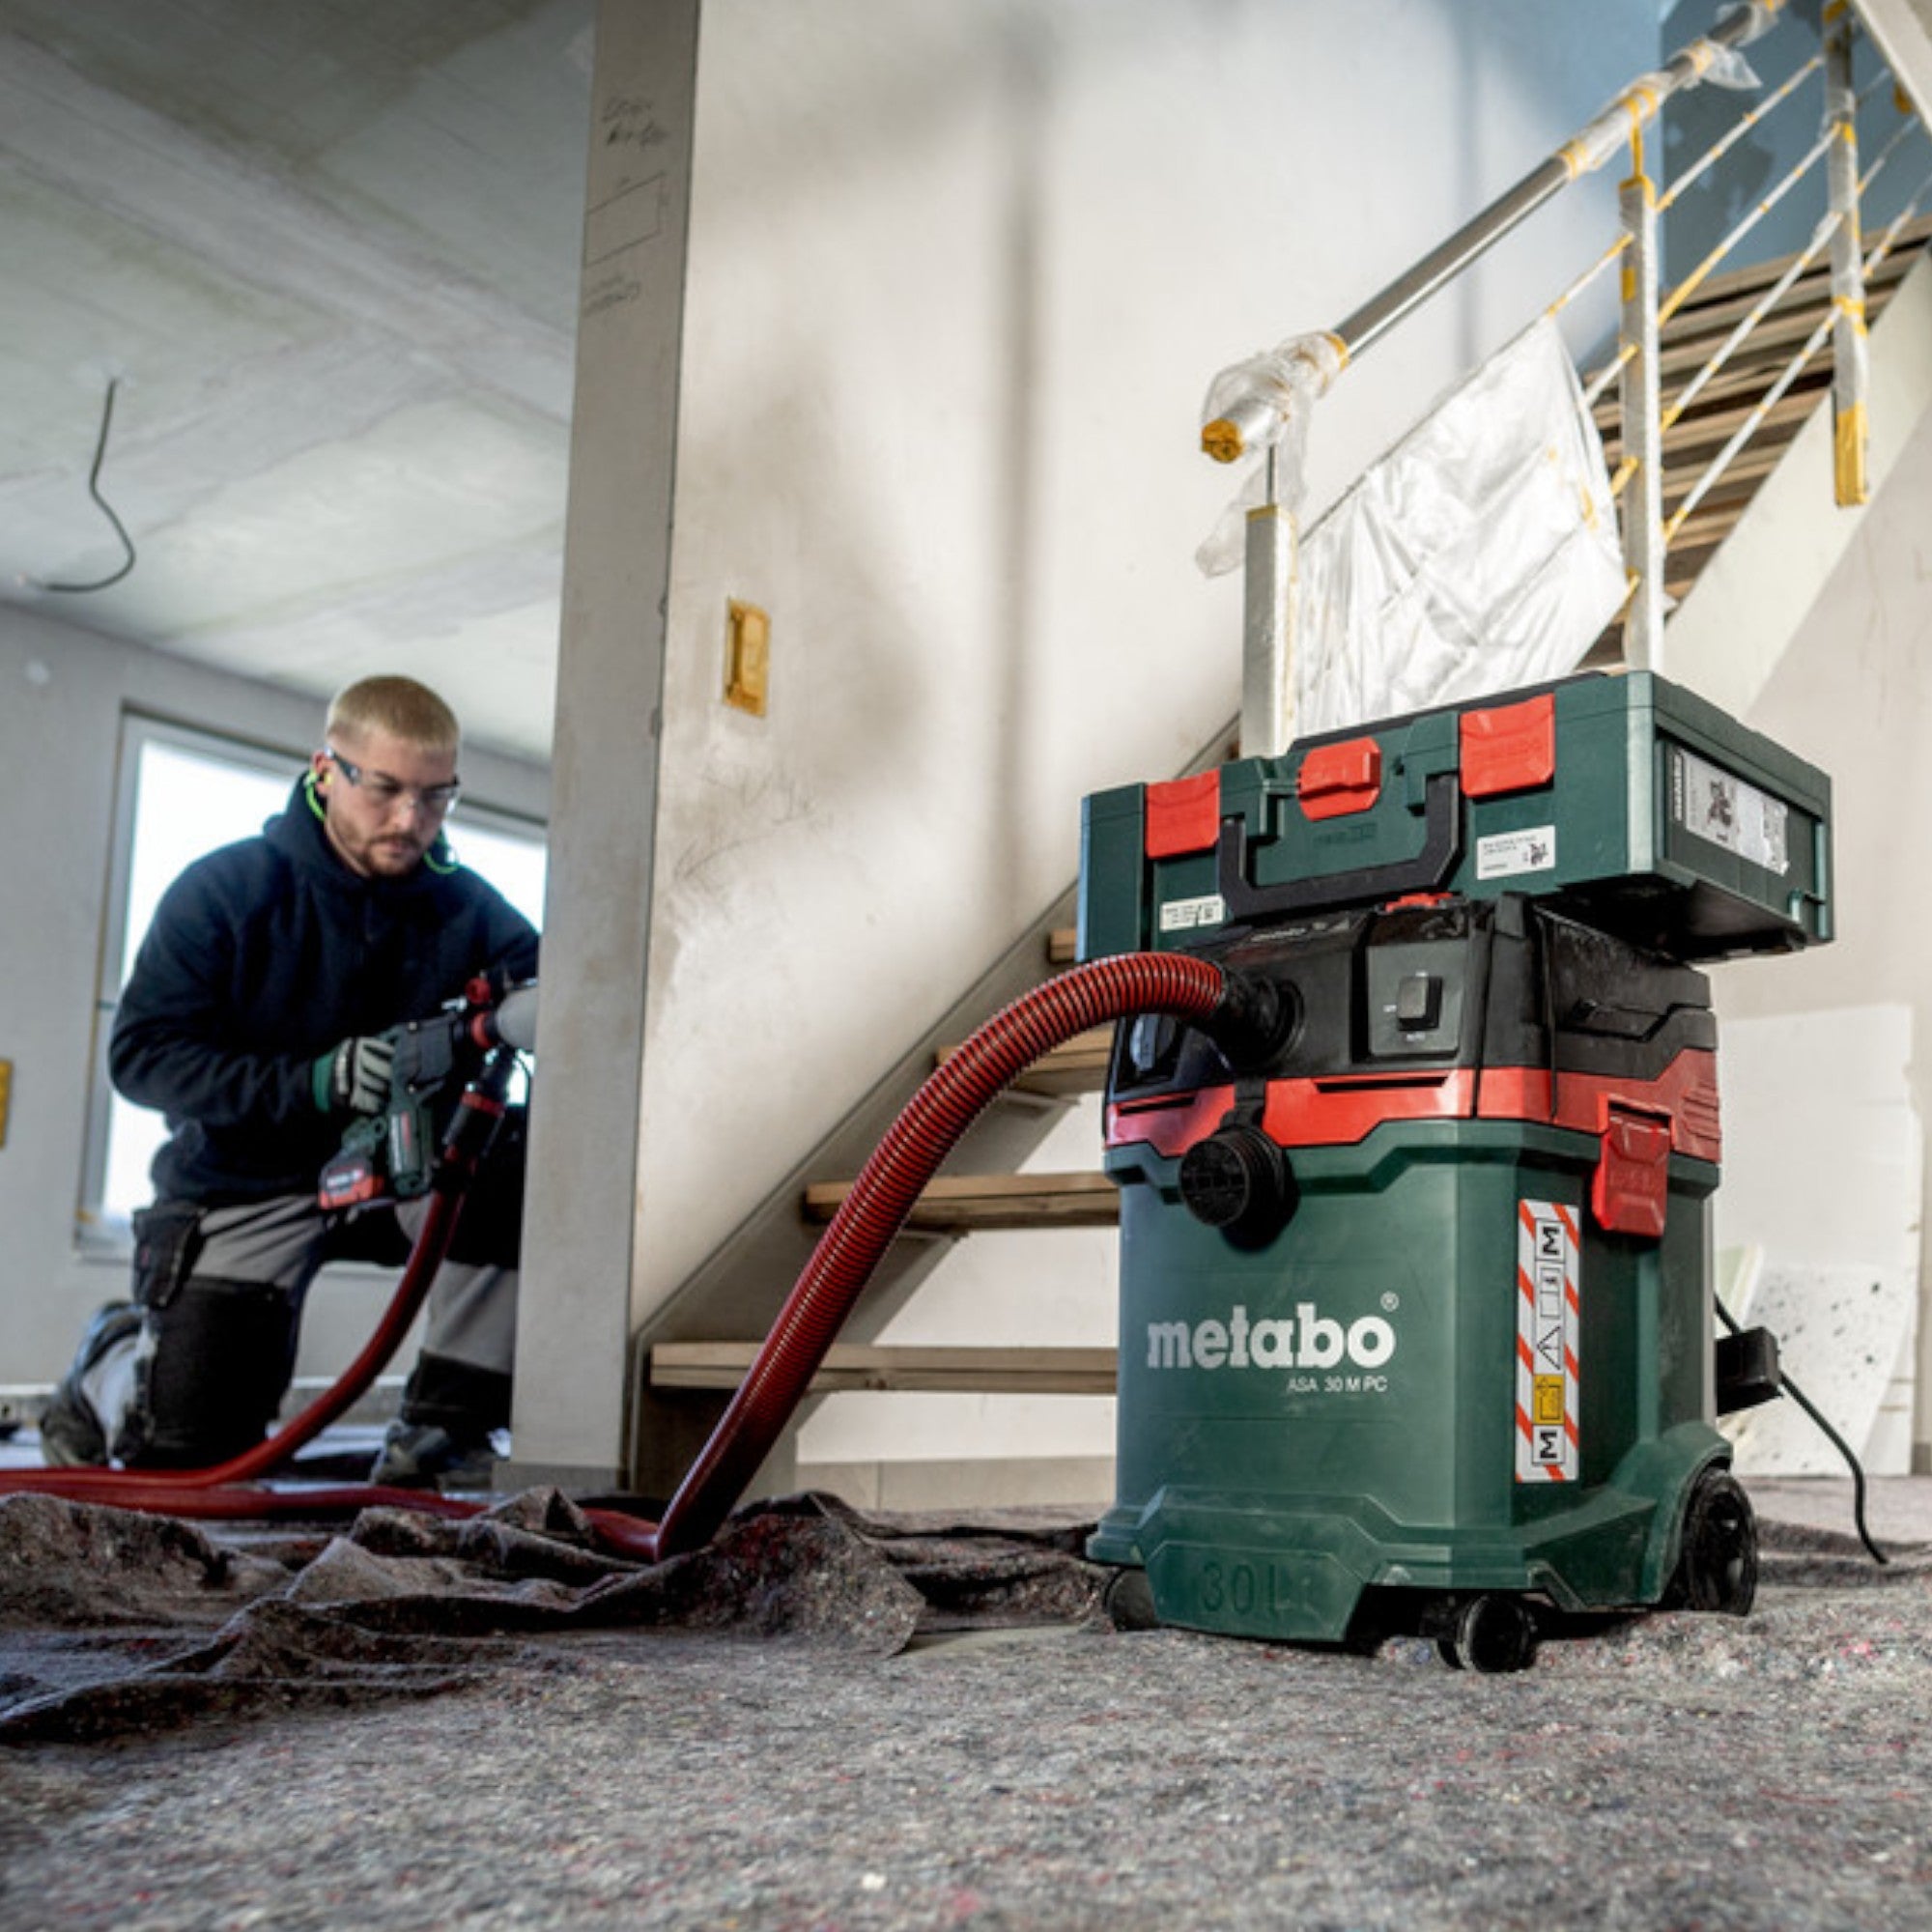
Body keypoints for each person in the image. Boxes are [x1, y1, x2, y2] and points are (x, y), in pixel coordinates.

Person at [40, 675, 538, 1488]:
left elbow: (563, 998)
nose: (410, 819)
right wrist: (312, 1083)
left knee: (516, 1164)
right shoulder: (225, 892)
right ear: (325, 770)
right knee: (190, 1456)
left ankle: (446, 1428)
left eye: (435, 796)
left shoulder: (470, 910)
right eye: (385, 789)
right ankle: (108, 1363)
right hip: (248, 1183)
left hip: (403, 1173)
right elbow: (142, 1057)